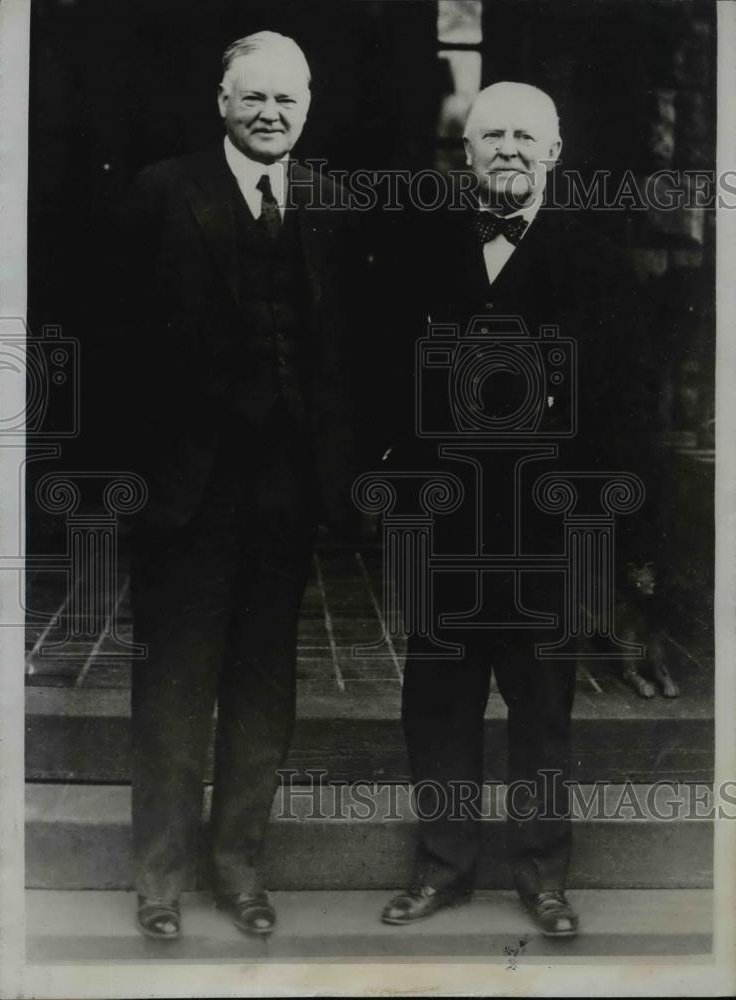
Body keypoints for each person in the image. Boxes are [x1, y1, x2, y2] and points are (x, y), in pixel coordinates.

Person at [376, 82, 657, 937]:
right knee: (438, 703)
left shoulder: (602, 265)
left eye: (525, 136)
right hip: (447, 528)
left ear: (554, 154)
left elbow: (626, 412)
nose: (507, 147)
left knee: (543, 707)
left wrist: (615, 534)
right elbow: (381, 384)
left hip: (546, 532)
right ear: (464, 153)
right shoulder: (418, 256)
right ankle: (444, 865)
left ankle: (543, 876)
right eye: (489, 133)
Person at [115, 31, 359, 940]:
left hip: (287, 487)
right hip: (188, 488)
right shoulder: (162, 192)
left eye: (286, 101)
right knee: (175, 685)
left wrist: (340, 475)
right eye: (252, 98)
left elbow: (345, 356)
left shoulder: (329, 201)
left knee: (263, 686)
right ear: (221, 102)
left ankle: (240, 871)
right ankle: (161, 881)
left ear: (307, 107)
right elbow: (114, 343)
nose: (270, 114)